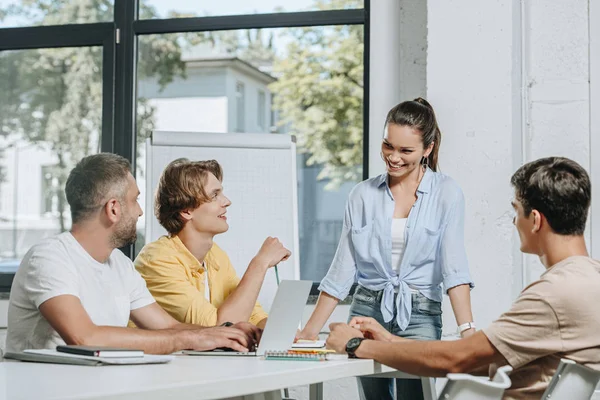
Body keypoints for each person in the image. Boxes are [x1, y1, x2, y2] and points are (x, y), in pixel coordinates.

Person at [326, 156, 600, 400]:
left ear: (536, 220)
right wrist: (388, 340)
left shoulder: (554, 293)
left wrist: (355, 345)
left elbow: (458, 359)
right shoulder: (588, 280)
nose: (514, 221)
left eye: (516, 211)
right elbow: (479, 359)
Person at [297, 98, 475, 400]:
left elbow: (454, 268)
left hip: (420, 316)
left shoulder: (446, 193)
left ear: (427, 149)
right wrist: (309, 332)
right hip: (366, 310)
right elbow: (342, 269)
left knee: (414, 397)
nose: (394, 157)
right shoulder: (362, 195)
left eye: (406, 151)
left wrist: (468, 331)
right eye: (388, 146)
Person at [6, 153, 259, 355]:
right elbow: (84, 337)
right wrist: (193, 337)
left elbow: (168, 327)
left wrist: (225, 333)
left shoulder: (120, 265)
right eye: (135, 200)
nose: (140, 212)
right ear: (113, 209)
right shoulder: (49, 257)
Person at [134, 158, 291, 328]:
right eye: (214, 195)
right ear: (187, 210)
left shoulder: (215, 255)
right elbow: (219, 327)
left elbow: (252, 314)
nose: (227, 201)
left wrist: (281, 334)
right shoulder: (157, 260)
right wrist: (260, 263)